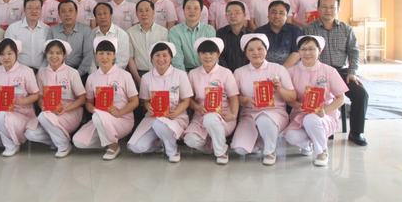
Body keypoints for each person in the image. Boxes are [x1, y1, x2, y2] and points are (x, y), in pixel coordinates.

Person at [304, 0, 368, 146]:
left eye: (332, 7)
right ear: (318, 9)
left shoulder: (346, 29)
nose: (328, 10)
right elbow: (305, 53)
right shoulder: (309, 29)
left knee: (361, 94)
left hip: (341, 72)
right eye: (324, 7)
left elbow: (354, 52)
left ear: (338, 9)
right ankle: (320, 129)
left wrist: (352, 72)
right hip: (319, 71)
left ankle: (356, 132)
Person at [230, 34, 296, 165]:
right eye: (251, 50)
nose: (256, 53)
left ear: (266, 50)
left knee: (264, 119)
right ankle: (262, 140)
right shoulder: (239, 72)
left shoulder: (278, 69)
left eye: (260, 49)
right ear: (245, 53)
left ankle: (270, 152)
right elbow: (233, 97)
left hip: (275, 112)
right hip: (249, 114)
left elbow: (292, 96)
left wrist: (279, 89)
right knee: (240, 149)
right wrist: (244, 100)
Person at [283, 35, 348, 166]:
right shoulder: (291, 72)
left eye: (312, 49)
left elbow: (341, 98)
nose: (307, 53)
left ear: (320, 50)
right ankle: (308, 145)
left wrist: (324, 111)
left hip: (324, 115)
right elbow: (289, 98)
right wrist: (298, 105)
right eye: (303, 49)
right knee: (290, 136)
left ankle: (322, 151)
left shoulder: (329, 71)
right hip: (300, 114)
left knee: (311, 119)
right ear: (298, 51)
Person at [72, 36, 139, 160]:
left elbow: (135, 101)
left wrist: (120, 112)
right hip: (100, 119)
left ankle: (113, 146)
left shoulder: (125, 75)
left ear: (114, 56)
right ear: (96, 56)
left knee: (98, 117)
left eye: (108, 53)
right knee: (78, 142)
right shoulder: (92, 78)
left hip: (122, 119)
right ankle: (108, 140)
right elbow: (88, 102)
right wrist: (94, 110)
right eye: (101, 53)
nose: (104, 57)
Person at [127, 42, 192, 162]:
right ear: (151, 58)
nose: (161, 59)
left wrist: (176, 112)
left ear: (171, 57)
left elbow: (186, 100)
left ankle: (172, 150)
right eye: (157, 55)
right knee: (135, 147)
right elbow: (145, 100)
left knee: (160, 124)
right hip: (153, 118)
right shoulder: (146, 78)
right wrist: (148, 107)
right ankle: (160, 144)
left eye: (165, 55)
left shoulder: (181, 75)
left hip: (175, 117)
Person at [25, 40, 86, 158]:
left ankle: (64, 146)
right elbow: (40, 96)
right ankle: (58, 140)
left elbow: (82, 98)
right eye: (51, 53)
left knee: (43, 117)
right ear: (46, 54)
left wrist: (66, 108)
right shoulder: (42, 73)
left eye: (58, 53)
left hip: (70, 112)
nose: (54, 56)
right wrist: (42, 105)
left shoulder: (72, 72)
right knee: (30, 133)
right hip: (49, 113)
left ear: (64, 55)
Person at [183, 37, 239, 165]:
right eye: (203, 53)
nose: (207, 56)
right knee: (190, 140)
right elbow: (188, 98)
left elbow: (233, 97)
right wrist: (197, 107)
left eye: (212, 53)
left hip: (223, 116)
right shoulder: (193, 74)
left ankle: (221, 152)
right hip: (200, 116)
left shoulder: (226, 73)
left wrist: (233, 114)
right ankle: (211, 146)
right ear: (198, 55)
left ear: (218, 54)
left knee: (211, 118)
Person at [48, 0, 94, 79]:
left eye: (70, 10)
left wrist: (76, 75)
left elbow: (88, 56)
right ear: (59, 14)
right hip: (57, 72)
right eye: (63, 11)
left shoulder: (86, 30)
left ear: (76, 13)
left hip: (79, 72)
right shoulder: (53, 30)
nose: (67, 14)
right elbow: (48, 54)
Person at [168, 0, 216, 72]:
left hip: (205, 70)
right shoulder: (175, 31)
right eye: (188, 8)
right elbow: (177, 58)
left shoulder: (209, 30)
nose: (192, 11)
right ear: (183, 10)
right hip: (184, 71)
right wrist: (183, 76)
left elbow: (212, 56)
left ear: (201, 11)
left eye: (196, 8)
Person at [127, 0, 169, 85]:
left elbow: (167, 57)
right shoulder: (130, 32)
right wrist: (138, 79)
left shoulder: (163, 32)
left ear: (153, 12)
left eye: (147, 10)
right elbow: (130, 58)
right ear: (136, 14)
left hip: (160, 73)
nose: (144, 13)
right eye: (140, 11)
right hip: (139, 74)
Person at [5, 0, 50, 70]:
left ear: (41, 10)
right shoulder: (13, 28)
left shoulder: (47, 29)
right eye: (30, 8)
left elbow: (49, 52)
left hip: (42, 70)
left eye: (37, 8)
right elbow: (8, 52)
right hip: (19, 71)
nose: (34, 11)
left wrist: (42, 70)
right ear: (24, 10)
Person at [257, 0, 303, 68]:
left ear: (286, 16)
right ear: (268, 15)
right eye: (274, 12)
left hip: (290, 69)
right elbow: (257, 54)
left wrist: (281, 70)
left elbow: (297, 53)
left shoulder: (295, 31)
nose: (277, 16)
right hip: (265, 70)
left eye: (281, 13)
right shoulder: (259, 32)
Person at [90, 2, 130, 70]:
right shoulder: (91, 34)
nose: (102, 17)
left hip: (116, 71)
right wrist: (96, 74)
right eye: (99, 14)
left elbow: (122, 60)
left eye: (105, 13)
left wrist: (110, 73)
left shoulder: (122, 34)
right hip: (96, 71)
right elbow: (90, 59)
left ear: (111, 15)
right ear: (95, 17)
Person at [216, 1, 249, 73]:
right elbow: (219, 56)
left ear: (244, 15)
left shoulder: (250, 34)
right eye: (229, 13)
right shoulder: (220, 34)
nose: (233, 16)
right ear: (226, 16)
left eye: (237, 13)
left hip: (247, 73)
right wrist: (228, 73)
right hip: (225, 74)